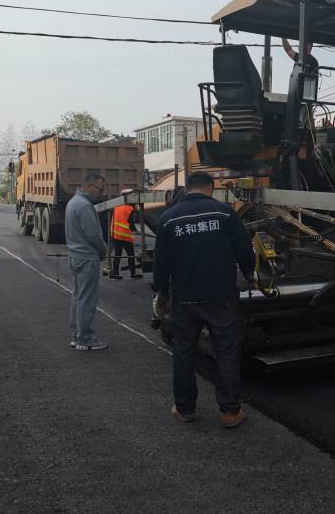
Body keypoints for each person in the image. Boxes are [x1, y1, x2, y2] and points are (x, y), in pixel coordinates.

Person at [153, 171, 255, 428]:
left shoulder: (169, 218)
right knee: (226, 352)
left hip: (185, 298)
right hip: (221, 296)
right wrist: (249, 274)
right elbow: (244, 247)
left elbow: (161, 262)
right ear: (210, 187)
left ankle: (185, 409)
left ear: (187, 188)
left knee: (184, 353)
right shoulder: (224, 213)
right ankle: (230, 412)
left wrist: (162, 293)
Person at [65, 173, 108, 351]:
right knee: (87, 299)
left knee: (78, 296)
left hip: (75, 256)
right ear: (89, 186)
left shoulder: (73, 202)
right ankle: (85, 338)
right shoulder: (84, 206)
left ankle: (76, 335)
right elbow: (93, 234)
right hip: (86, 257)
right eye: (99, 189)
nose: (101, 193)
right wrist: (103, 249)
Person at [109, 189, 143, 280]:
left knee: (117, 254)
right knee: (131, 255)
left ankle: (115, 274)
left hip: (116, 234)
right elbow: (130, 222)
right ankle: (133, 274)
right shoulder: (129, 208)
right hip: (125, 235)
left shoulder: (116, 207)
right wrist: (135, 230)